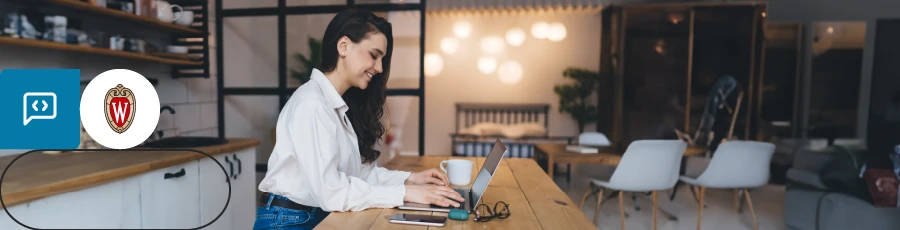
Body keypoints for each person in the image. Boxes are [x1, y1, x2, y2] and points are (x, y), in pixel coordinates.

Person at [253, 9, 465, 230]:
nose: (379, 68)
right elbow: (332, 193)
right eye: (374, 55)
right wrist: (405, 193)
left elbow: (358, 174)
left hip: (311, 215)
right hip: (288, 221)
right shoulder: (312, 104)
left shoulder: (335, 105)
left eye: (382, 59)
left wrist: (410, 180)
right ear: (343, 46)